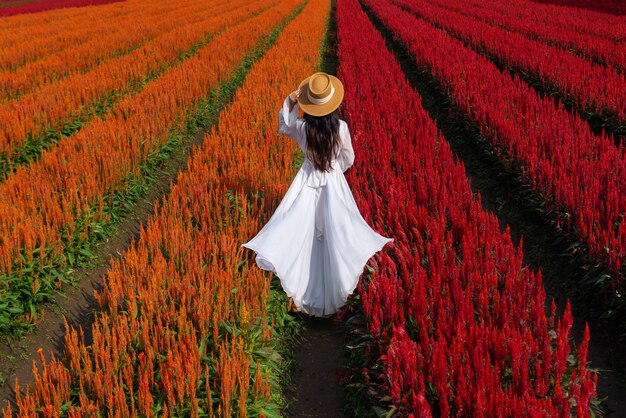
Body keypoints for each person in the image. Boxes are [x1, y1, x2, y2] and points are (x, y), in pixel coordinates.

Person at [241, 72, 393, 317]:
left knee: (300, 229)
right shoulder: (341, 127)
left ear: (309, 106)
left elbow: (284, 125)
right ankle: (339, 284)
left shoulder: (302, 128)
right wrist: (335, 171)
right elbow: (349, 158)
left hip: (307, 181)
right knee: (340, 231)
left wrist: (290, 102)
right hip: (333, 182)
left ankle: (300, 284)